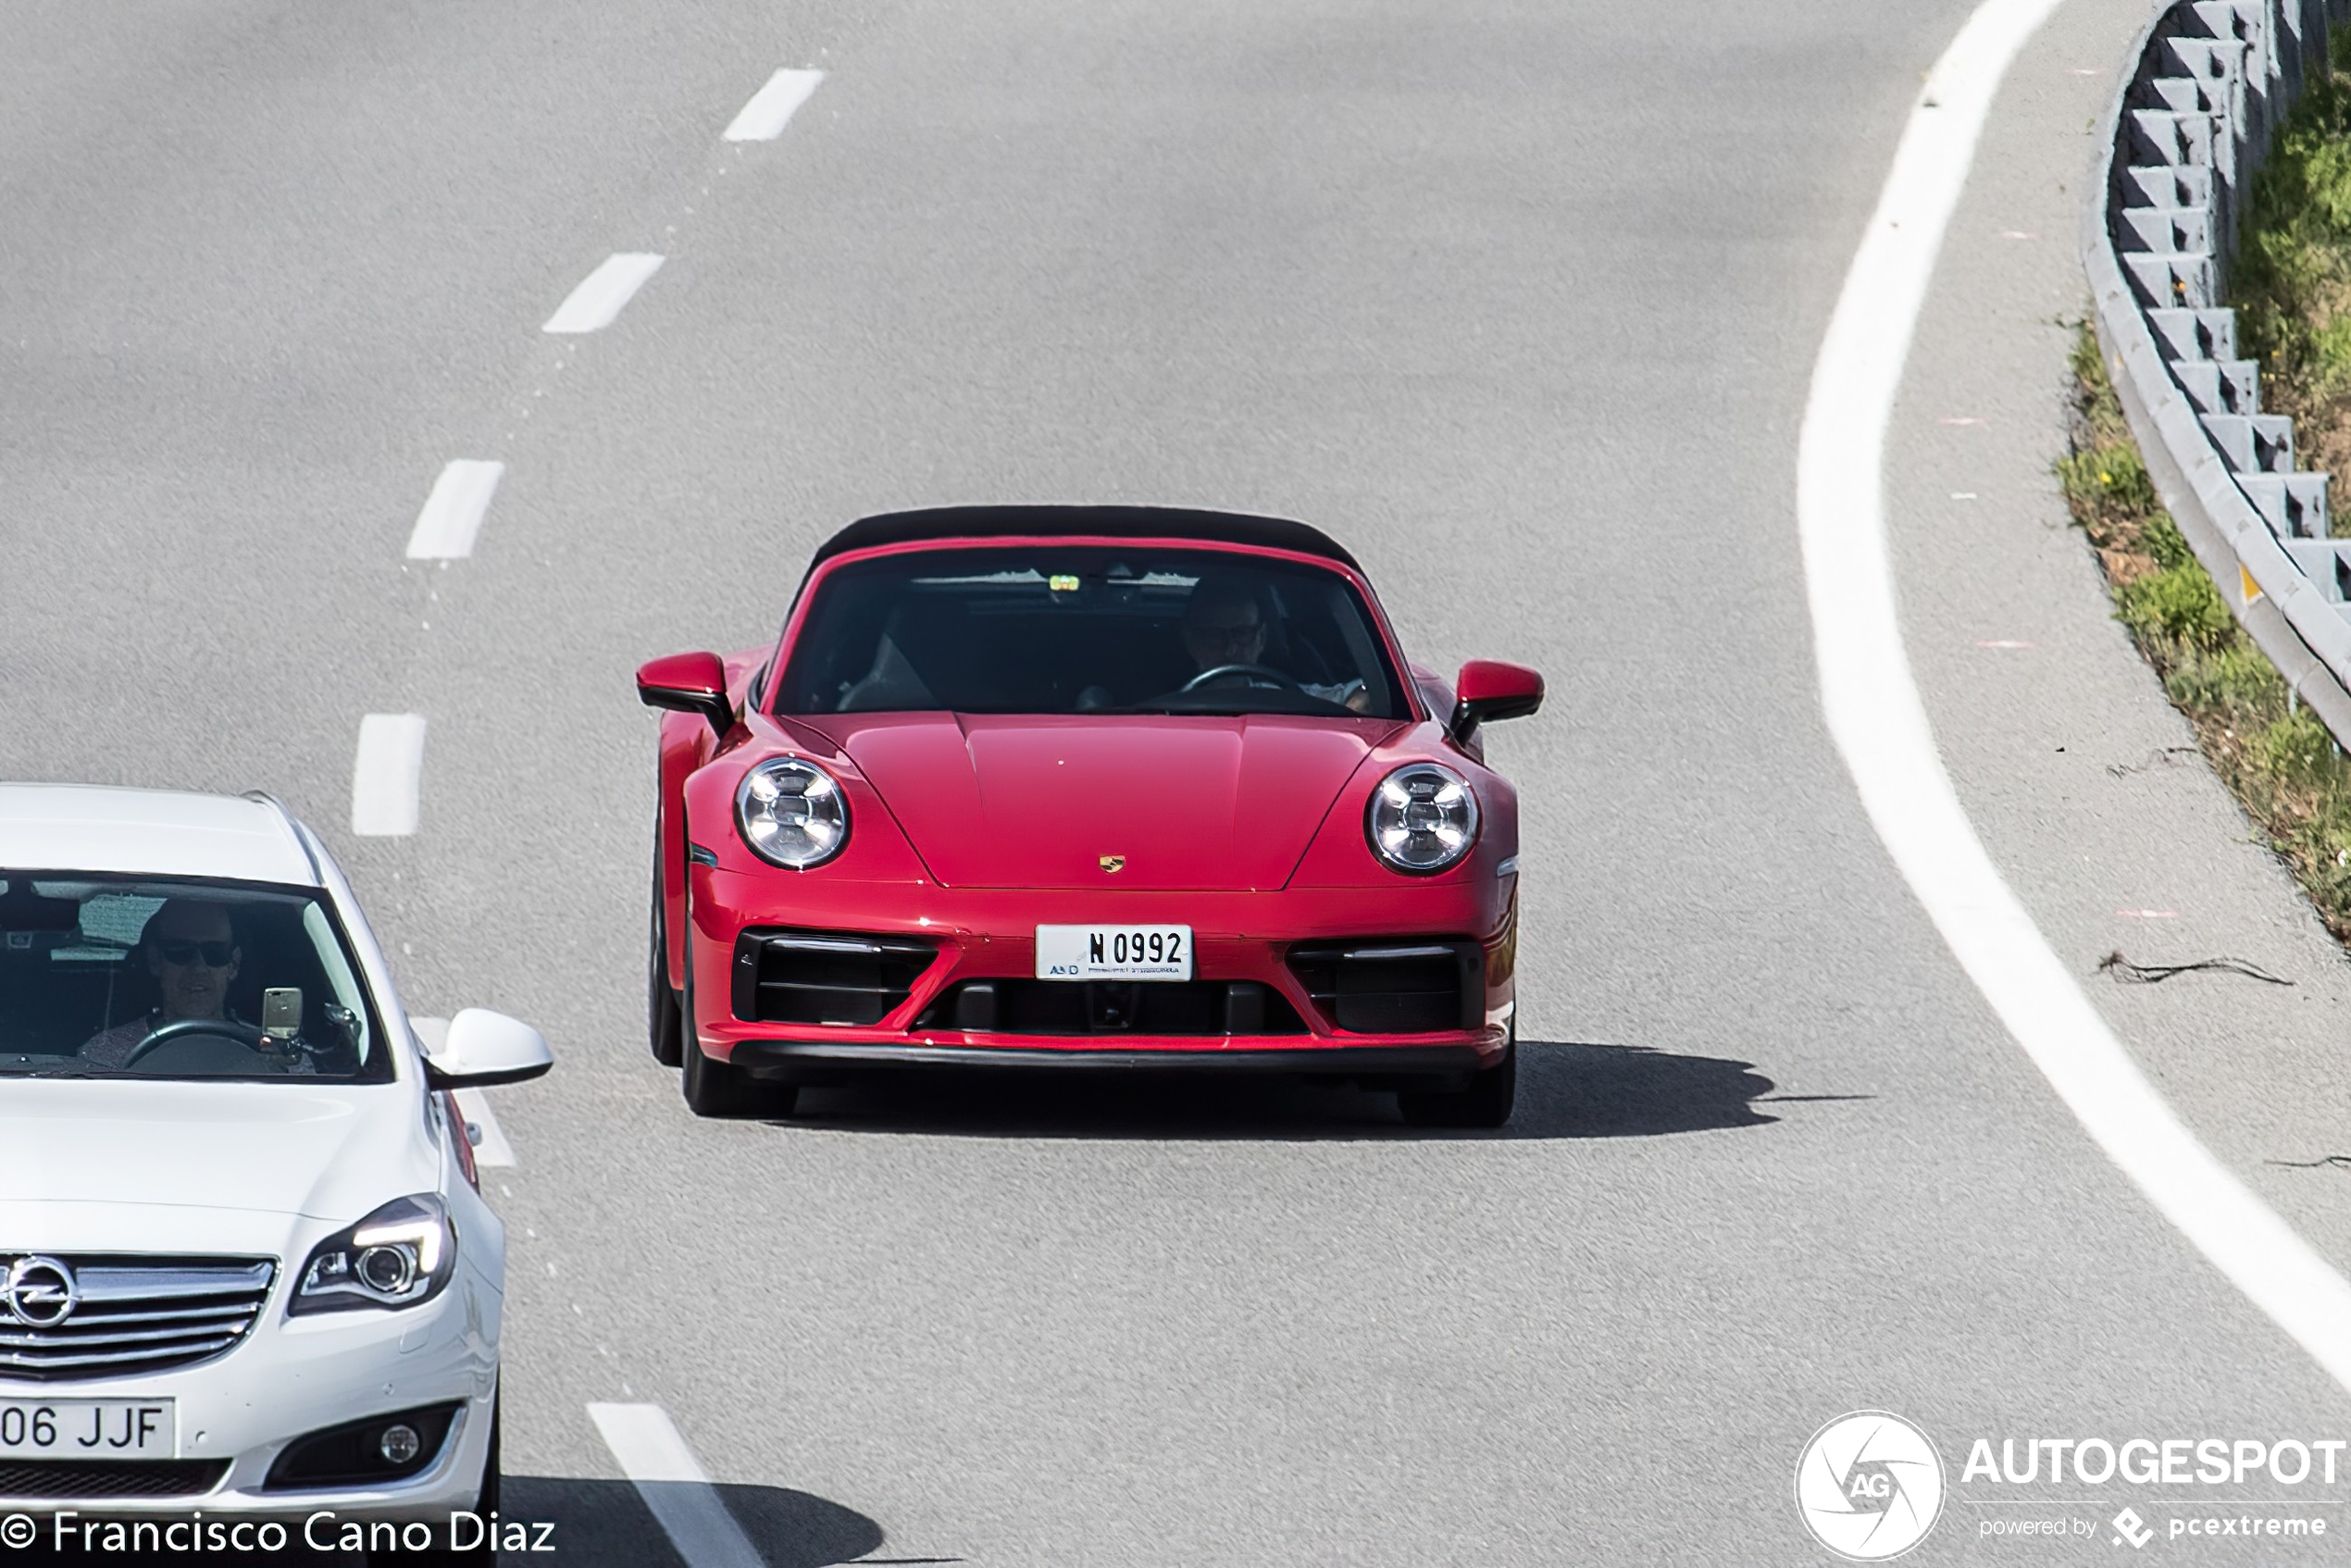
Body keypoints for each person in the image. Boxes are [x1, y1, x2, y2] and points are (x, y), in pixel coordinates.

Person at [78, 899, 310, 1074]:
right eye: (180, 952)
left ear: (233, 965)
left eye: (214, 953)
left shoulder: (284, 1055)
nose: (198, 968)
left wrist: (276, 1071)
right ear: (155, 961)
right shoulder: (106, 1055)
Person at [1179, 575, 1371, 712]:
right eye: (1214, 635)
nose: (1230, 648)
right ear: (1191, 640)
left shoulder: (1286, 696)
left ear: (1261, 639)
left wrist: (1351, 710)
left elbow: (1364, 689)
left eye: (1242, 633)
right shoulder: (1161, 706)